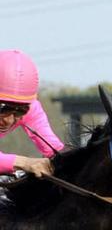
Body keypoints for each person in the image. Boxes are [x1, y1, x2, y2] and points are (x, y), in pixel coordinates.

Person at [0, 49, 64, 178]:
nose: (10, 120)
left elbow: (55, 150)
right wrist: (25, 162)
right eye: (3, 108)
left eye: (20, 111)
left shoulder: (31, 107)